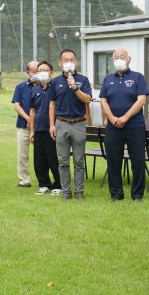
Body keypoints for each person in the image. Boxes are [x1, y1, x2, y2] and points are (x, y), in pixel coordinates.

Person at [100, 48, 148, 201]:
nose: (119, 59)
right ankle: (116, 194)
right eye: (116, 57)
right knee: (113, 161)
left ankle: (137, 195)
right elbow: (103, 100)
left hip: (135, 126)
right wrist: (112, 118)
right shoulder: (108, 79)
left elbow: (141, 100)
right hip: (113, 127)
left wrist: (125, 117)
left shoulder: (138, 77)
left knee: (138, 161)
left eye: (122, 57)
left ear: (129, 59)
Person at [48, 49, 92, 201]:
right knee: (63, 160)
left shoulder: (83, 80)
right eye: (65, 60)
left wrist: (75, 87)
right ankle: (66, 191)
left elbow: (87, 100)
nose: (68, 62)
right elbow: (52, 104)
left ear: (76, 61)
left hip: (78, 124)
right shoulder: (55, 82)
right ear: (60, 63)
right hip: (61, 123)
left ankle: (79, 191)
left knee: (79, 161)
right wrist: (52, 125)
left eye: (71, 59)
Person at [29, 61, 62, 196]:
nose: (42, 72)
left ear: (51, 72)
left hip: (53, 129)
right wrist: (32, 130)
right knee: (39, 159)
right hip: (38, 129)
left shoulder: (55, 87)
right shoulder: (34, 89)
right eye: (40, 70)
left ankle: (58, 184)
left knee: (53, 158)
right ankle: (44, 184)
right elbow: (32, 111)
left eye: (45, 69)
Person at [11, 61, 39, 188]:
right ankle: (24, 180)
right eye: (33, 71)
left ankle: (44, 180)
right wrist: (29, 119)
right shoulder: (20, 87)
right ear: (28, 72)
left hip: (41, 126)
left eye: (38, 70)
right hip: (23, 125)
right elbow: (16, 105)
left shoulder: (45, 87)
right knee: (22, 154)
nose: (36, 73)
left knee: (41, 154)